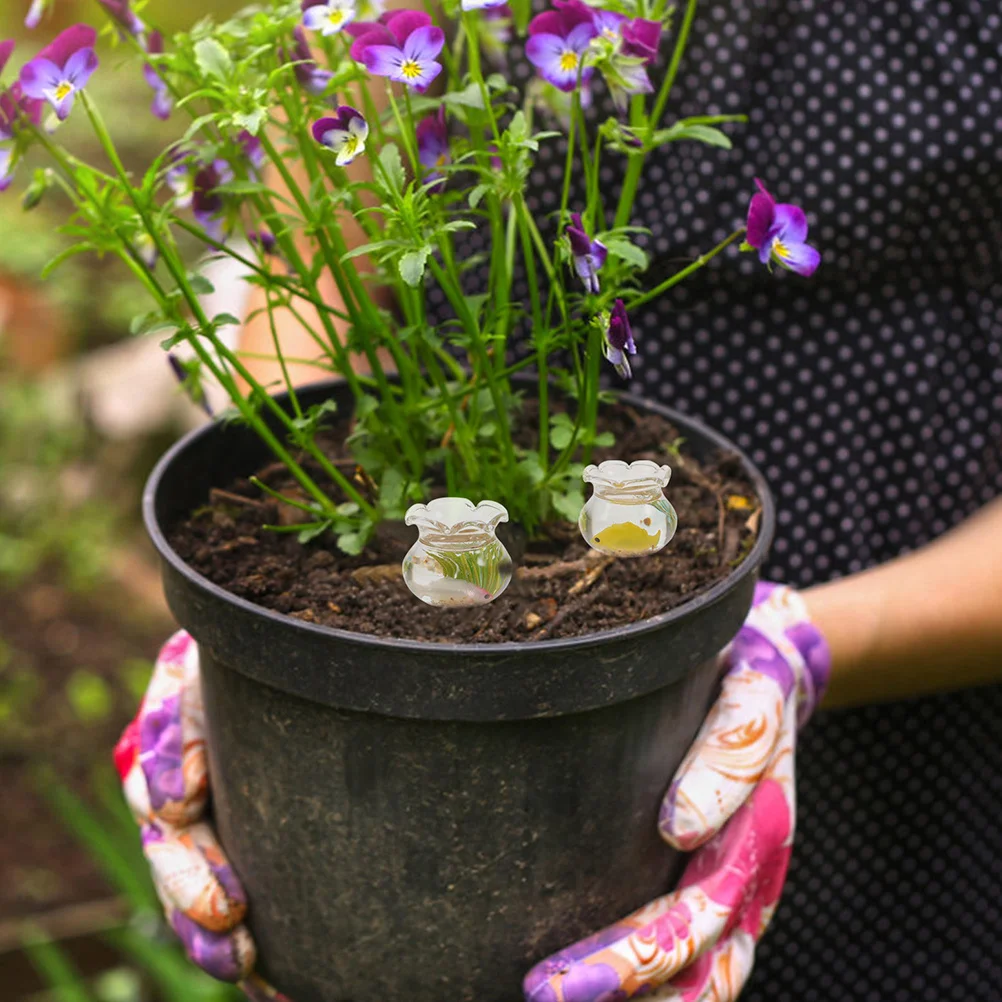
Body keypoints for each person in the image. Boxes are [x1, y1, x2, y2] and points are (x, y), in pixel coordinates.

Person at [118, 1, 1002, 1000]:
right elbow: (320, 267)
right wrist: (255, 630)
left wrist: (798, 646)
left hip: (920, 684)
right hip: (432, 581)